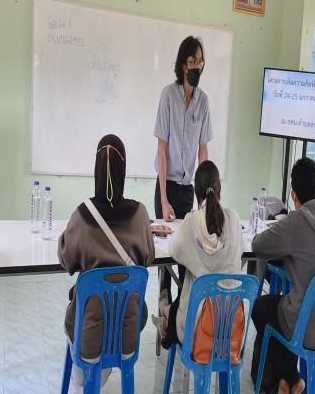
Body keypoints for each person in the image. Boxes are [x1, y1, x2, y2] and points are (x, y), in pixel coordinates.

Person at [58, 134, 155, 392]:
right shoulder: (140, 214)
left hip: (89, 336)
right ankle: (105, 369)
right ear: (123, 170)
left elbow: (66, 261)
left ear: (96, 169)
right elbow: (148, 258)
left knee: (78, 308)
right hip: (127, 335)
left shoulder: (82, 215)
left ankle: (86, 380)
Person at [250, 157, 315, 394]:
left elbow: (258, 245)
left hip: (308, 327)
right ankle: (284, 382)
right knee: (281, 309)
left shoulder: (295, 221)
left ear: (293, 195)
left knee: (260, 308)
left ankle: (290, 380)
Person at [152, 160, 243, 349]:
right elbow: (240, 252)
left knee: (187, 296)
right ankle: (168, 316)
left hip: (197, 332)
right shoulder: (234, 219)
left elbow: (173, 249)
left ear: (196, 192)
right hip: (231, 332)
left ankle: (166, 317)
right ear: (219, 189)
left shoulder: (192, 221)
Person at [154, 35, 213, 302]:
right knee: (165, 255)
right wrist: (164, 199)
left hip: (188, 188)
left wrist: (206, 198)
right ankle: (164, 306)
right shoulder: (168, 95)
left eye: (200, 61)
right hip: (166, 185)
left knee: (185, 254)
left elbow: (203, 152)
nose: (197, 66)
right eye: (192, 61)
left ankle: (181, 309)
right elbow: (162, 150)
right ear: (182, 65)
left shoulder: (203, 101)